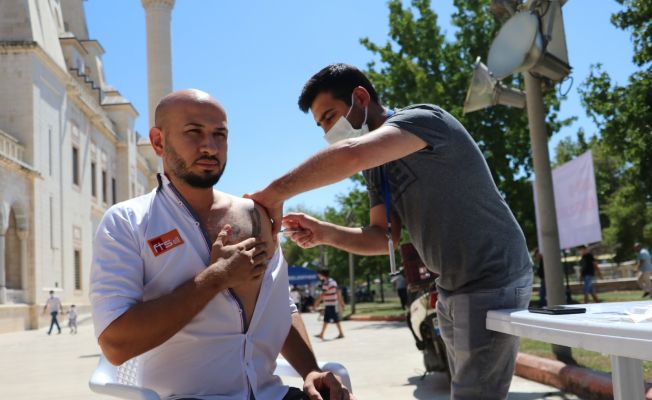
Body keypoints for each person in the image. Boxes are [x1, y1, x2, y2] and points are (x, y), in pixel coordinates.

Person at [247, 63, 533, 399]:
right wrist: (325, 232)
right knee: (466, 390)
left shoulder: (423, 120)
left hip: (492, 274)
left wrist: (274, 193)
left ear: (360, 97)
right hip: (452, 285)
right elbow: (383, 237)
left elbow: (351, 155)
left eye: (329, 116)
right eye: (320, 125)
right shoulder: (376, 168)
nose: (327, 131)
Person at [90, 89, 351, 400]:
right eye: (194, 132)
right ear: (159, 142)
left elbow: (281, 307)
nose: (210, 146)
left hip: (270, 393)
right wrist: (215, 279)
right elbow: (116, 345)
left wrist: (310, 370)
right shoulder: (128, 222)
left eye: (220, 134)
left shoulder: (255, 214)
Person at [313, 269, 346, 340]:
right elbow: (338, 293)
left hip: (329, 304)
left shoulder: (326, 283)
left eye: (319, 274)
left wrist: (316, 302)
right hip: (332, 303)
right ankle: (321, 334)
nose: (318, 276)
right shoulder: (333, 281)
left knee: (335, 319)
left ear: (322, 274)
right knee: (326, 319)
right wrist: (342, 302)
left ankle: (341, 333)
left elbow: (322, 295)